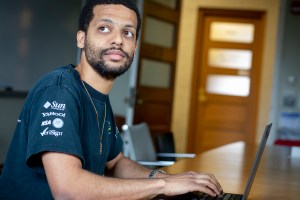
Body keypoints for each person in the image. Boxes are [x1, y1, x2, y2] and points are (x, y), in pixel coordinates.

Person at [0, 0, 223, 199]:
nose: (117, 40)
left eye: (128, 33)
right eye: (104, 28)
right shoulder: (59, 90)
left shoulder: (98, 96)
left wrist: (164, 177)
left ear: (135, 46)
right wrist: (163, 185)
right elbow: (68, 191)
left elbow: (115, 163)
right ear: (81, 38)